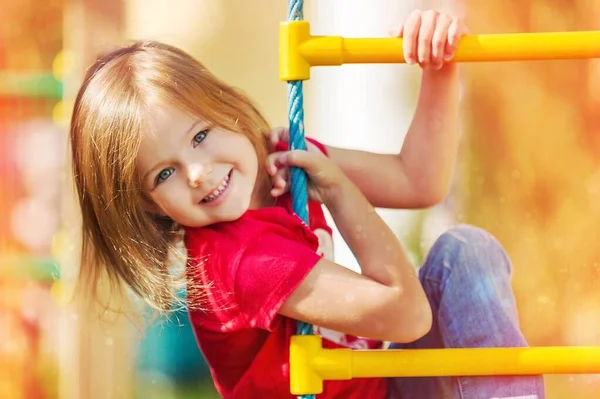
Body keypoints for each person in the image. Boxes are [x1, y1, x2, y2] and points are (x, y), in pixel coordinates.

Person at [69, 8, 545, 399]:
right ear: (151, 206)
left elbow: (417, 180)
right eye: (165, 174)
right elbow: (407, 314)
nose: (197, 172)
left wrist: (438, 70)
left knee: (465, 251)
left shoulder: (285, 161)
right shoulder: (238, 260)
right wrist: (339, 192)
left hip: (385, 382)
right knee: (455, 259)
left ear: (226, 107)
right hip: (380, 374)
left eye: (200, 135)